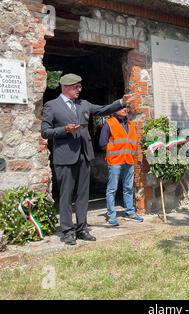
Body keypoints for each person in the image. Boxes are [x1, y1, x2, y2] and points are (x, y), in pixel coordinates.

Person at [41, 73, 137, 245]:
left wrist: (121, 102)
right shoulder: (51, 106)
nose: (80, 89)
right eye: (76, 87)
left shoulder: (84, 104)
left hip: (84, 156)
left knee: (83, 195)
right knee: (66, 195)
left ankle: (81, 228)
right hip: (65, 158)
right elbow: (45, 132)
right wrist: (64, 130)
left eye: (80, 86)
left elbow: (102, 110)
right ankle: (67, 231)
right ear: (66, 87)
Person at [99, 107, 143, 226]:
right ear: (114, 110)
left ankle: (130, 212)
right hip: (115, 161)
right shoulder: (109, 123)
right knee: (112, 189)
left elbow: (133, 141)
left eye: (126, 108)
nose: (125, 109)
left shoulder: (131, 124)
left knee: (128, 187)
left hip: (129, 160)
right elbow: (102, 143)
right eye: (121, 107)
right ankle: (111, 215)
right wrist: (114, 151)